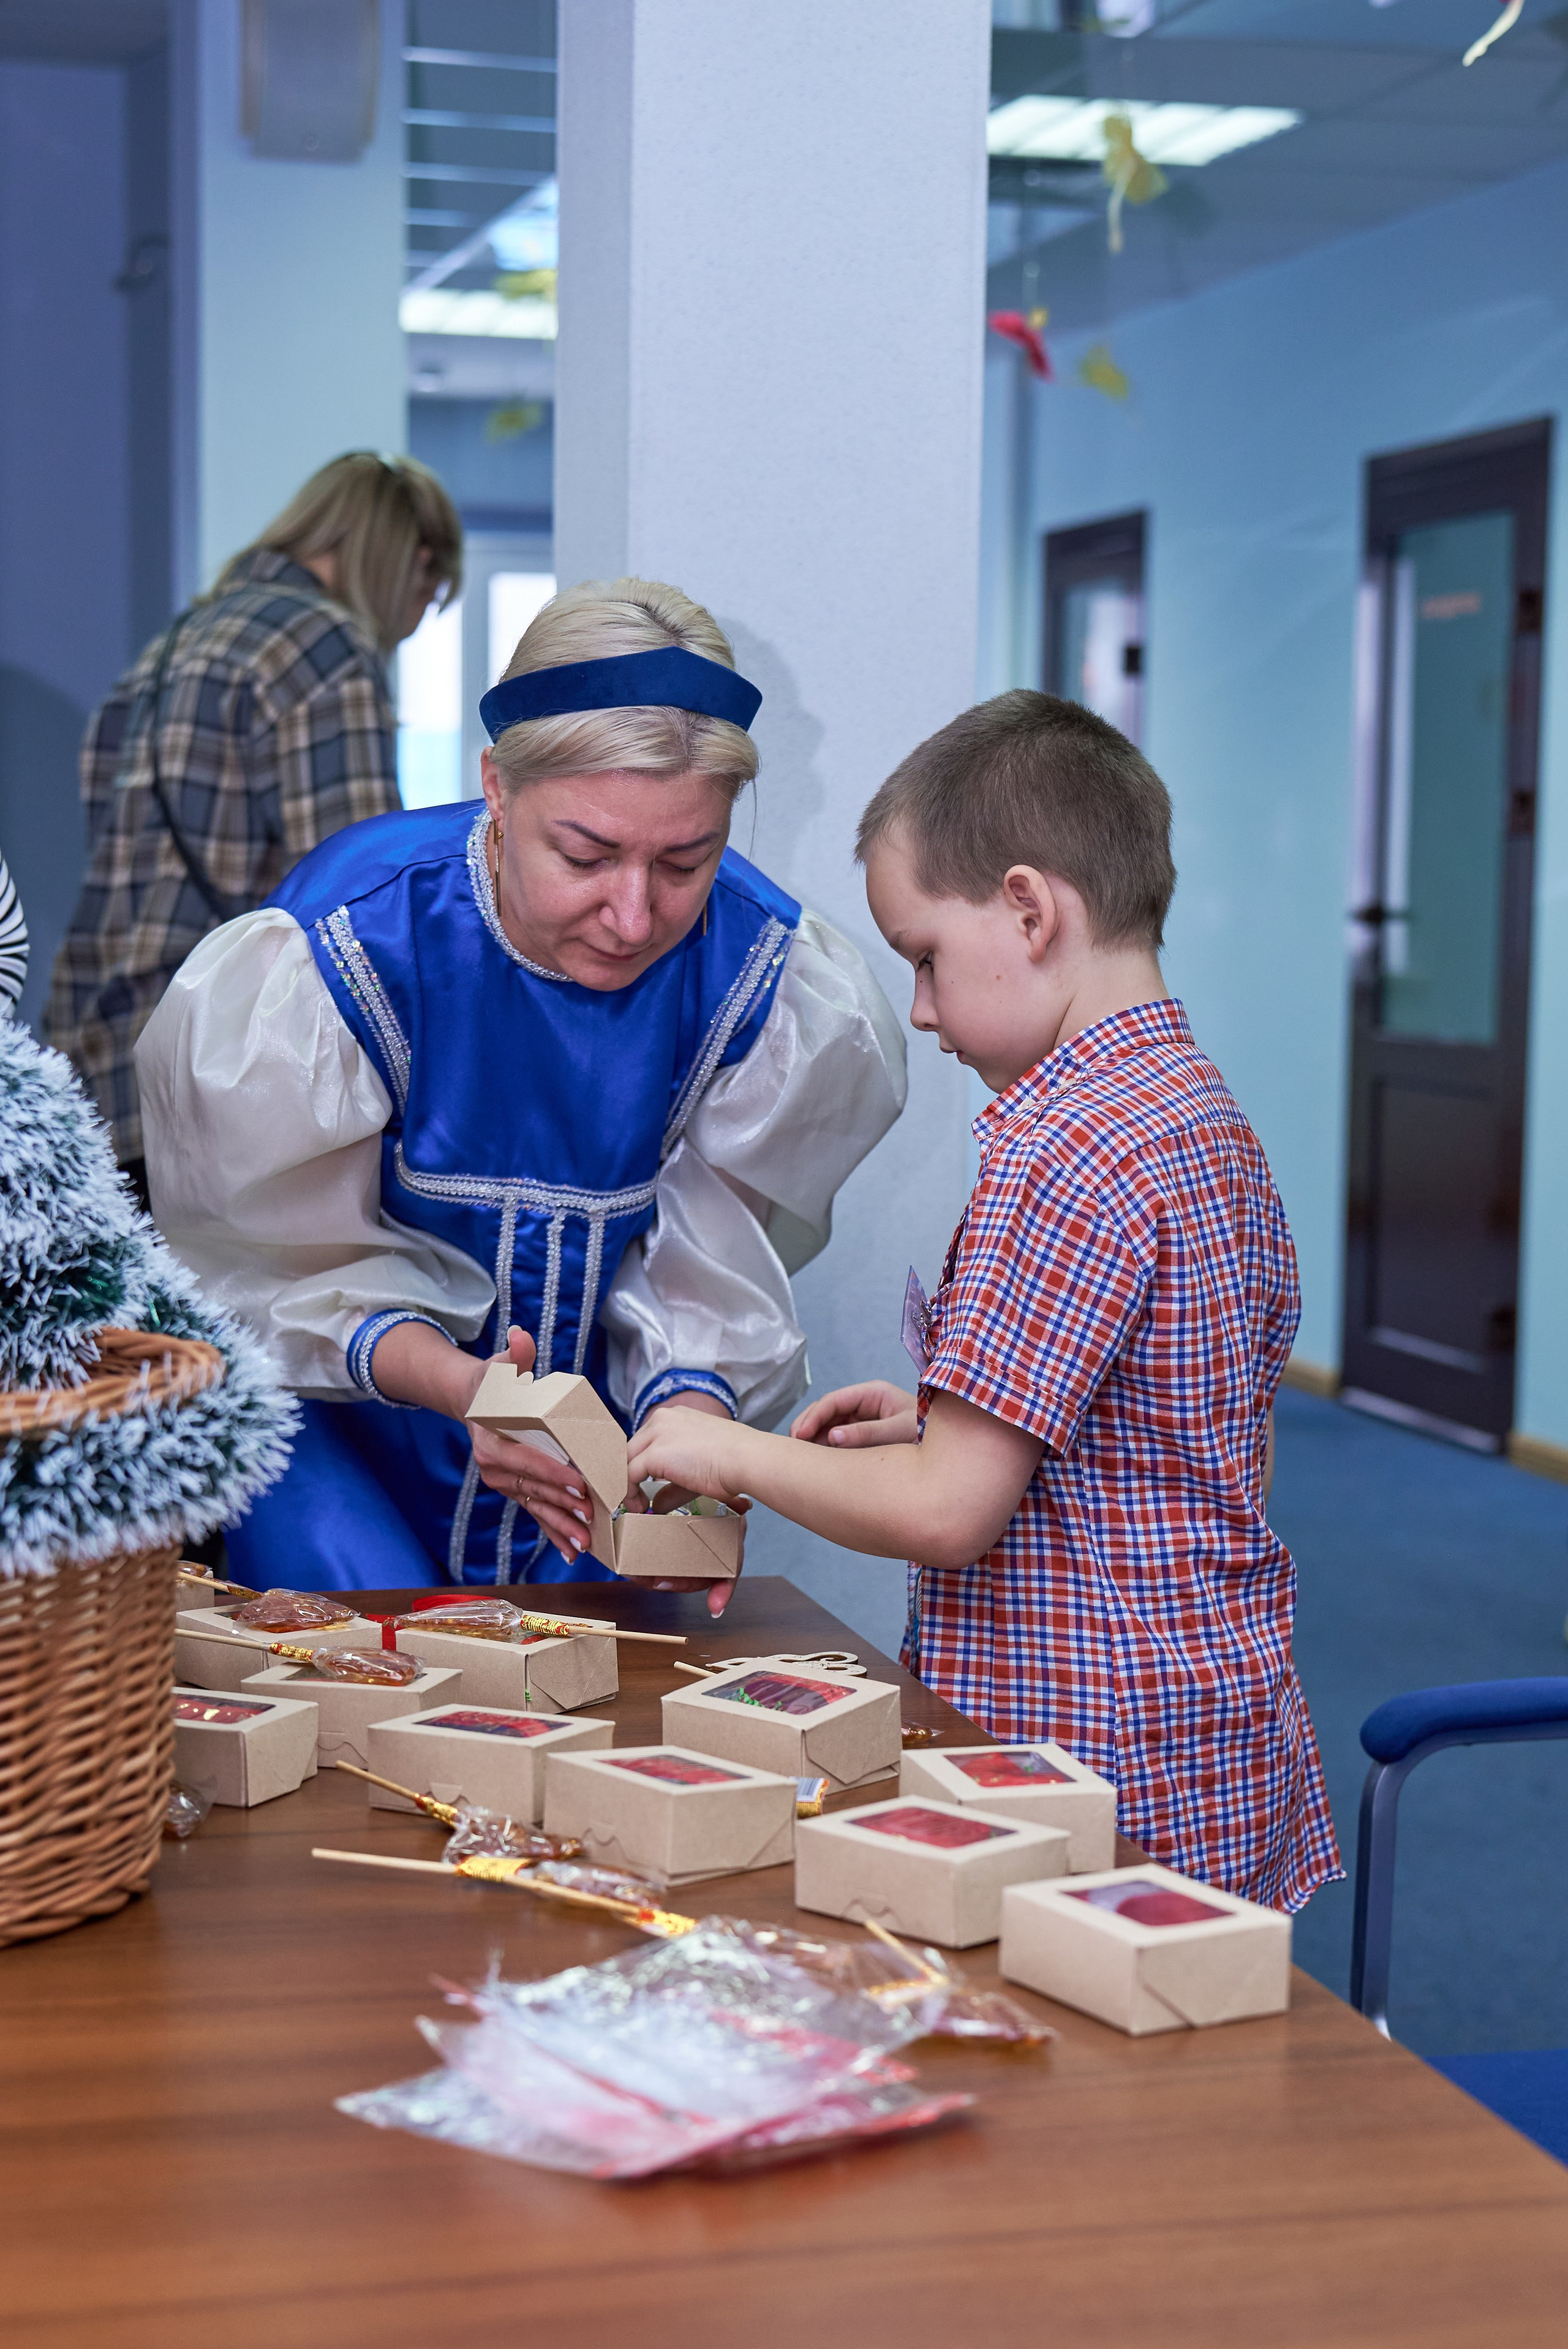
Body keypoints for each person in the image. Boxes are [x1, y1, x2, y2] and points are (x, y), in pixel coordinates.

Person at [628, 690, 1340, 1910]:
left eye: (922, 957)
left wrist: (725, 1450)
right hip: (1210, 1733)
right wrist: (938, 1414)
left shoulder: (1058, 1149)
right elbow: (1171, 1430)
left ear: (1026, 908)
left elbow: (947, 1514)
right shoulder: (1198, 1117)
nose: (917, 1009)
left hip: (1084, 1755)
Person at [135, 577, 906, 1599]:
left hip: (581, 1460)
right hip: (349, 1433)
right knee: (362, 1667)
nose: (633, 915)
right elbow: (276, 1278)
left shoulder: (763, 982)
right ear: (498, 787)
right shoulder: (341, 950)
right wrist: (465, 1390)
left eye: (688, 860)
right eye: (586, 854)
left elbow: (707, 1280)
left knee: (607, 1701)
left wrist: (695, 1436)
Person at [47, 452, 461, 1204]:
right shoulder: (323, 646)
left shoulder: (171, 649)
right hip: (221, 1074)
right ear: (419, 562)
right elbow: (363, 899)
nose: (411, 625)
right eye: (431, 599)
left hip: (97, 1059)